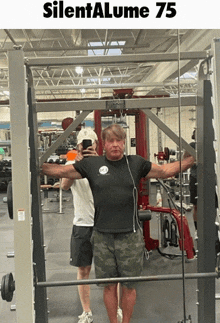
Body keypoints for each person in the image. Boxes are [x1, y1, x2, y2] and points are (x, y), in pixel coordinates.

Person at [42, 124, 195, 323]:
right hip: (102, 237)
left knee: (129, 286)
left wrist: (192, 158)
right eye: (110, 141)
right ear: (104, 144)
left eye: (119, 140)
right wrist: (34, 164)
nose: (115, 145)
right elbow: (61, 172)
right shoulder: (91, 165)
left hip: (130, 237)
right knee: (108, 286)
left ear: (124, 142)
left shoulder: (136, 163)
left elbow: (165, 170)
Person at [62, 128, 98, 323]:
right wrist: (77, 163)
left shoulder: (103, 163)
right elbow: (64, 186)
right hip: (82, 224)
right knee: (83, 270)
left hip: (103, 224)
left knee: (112, 270)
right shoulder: (72, 163)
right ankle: (87, 311)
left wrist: (97, 161)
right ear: (78, 146)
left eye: (90, 144)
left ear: (96, 146)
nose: (86, 147)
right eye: (83, 144)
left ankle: (116, 308)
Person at [184, 129, 197, 239]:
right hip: (195, 178)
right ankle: (197, 231)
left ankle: (214, 229)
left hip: (211, 179)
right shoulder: (192, 145)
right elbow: (184, 160)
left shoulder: (211, 144)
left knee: (213, 206)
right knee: (196, 206)